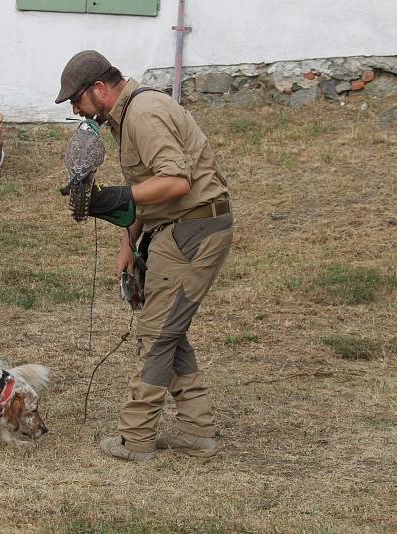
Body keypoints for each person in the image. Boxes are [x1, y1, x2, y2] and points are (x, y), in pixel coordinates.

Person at [56, 50, 234, 462]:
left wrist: (116, 197)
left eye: (75, 100)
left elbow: (174, 181)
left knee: (156, 335)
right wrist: (128, 244)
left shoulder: (144, 113)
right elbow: (148, 187)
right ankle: (197, 432)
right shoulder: (127, 116)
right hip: (173, 227)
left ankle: (135, 439)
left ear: (99, 89)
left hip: (193, 228)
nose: (74, 109)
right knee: (168, 328)